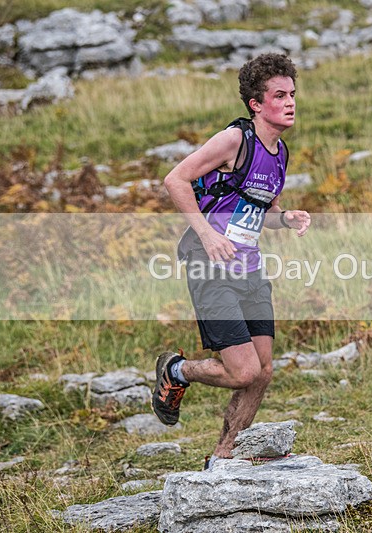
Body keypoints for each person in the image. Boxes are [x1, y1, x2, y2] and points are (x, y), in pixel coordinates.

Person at [151, 53, 311, 469]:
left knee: (263, 371)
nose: (290, 102)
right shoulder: (234, 140)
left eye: (293, 94)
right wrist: (207, 233)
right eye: (280, 95)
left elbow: (264, 210)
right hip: (210, 264)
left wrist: (285, 218)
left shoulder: (280, 153)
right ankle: (178, 371)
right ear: (256, 103)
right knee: (242, 372)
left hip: (249, 267)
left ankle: (224, 456)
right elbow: (175, 179)